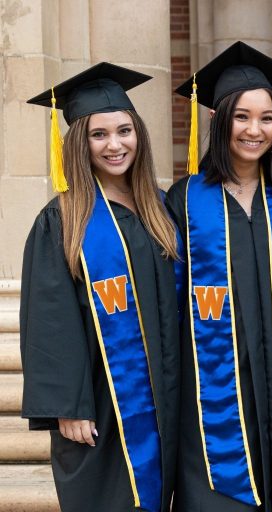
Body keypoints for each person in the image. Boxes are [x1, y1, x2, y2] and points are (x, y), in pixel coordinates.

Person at [166, 42, 272, 511]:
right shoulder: (185, 199)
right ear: (219, 120)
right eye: (242, 117)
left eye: (267, 118)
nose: (255, 130)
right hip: (214, 383)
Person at [21, 63, 180, 512]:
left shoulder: (162, 209)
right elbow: (50, 318)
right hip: (102, 401)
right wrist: (67, 405)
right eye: (99, 134)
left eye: (125, 130)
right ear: (78, 144)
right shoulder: (65, 219)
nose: (115, 145)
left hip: (164, 395)